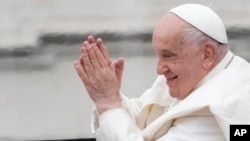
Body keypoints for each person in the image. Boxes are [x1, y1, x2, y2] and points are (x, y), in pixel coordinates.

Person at [74, 3, 250, 141]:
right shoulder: (194, 76)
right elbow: (144, 118)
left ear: (207, 54)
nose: (159, 69)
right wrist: (113, 95)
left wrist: (108, 103)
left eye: (168, 55)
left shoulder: (221, 109)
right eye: (158, 56)